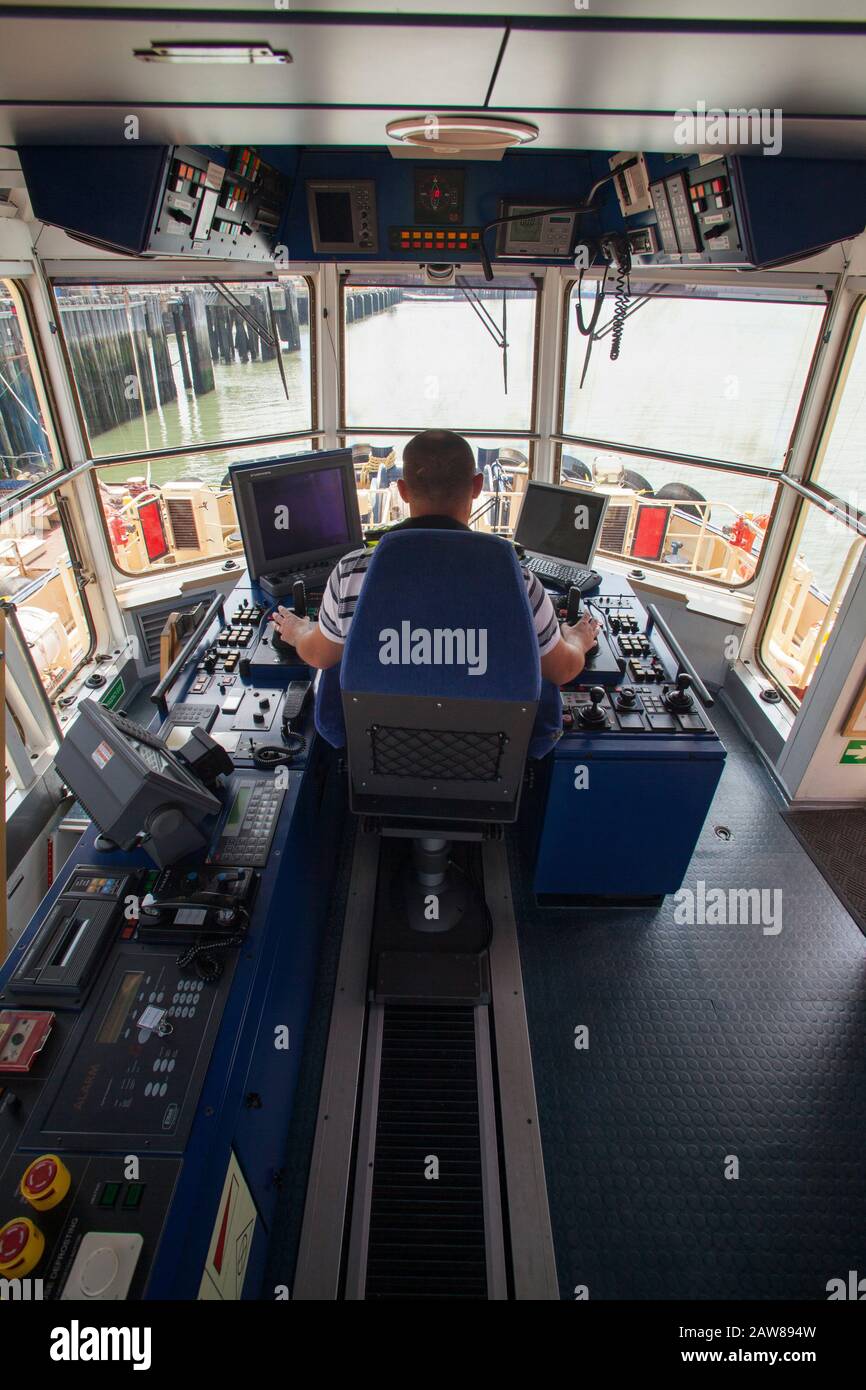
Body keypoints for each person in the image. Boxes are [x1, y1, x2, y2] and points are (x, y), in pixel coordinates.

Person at [271, 430, 600, 685]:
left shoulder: (352, 572)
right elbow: (561, 671)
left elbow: (320, 655)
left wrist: (299, 631)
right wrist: (577, 639)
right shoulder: (519, 581)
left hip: (380, 752)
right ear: (476, 486)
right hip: (489, 758)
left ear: (401, 490)